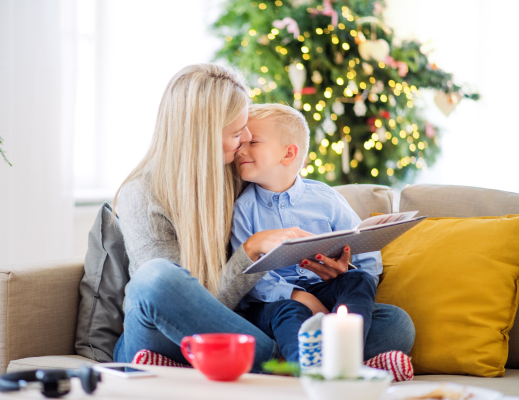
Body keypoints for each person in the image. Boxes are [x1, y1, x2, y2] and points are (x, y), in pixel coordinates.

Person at [112, 63, 415, 373]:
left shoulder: (235, 176)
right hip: (164, 336)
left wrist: (338, 265)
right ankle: (303, 361)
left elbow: (286, 178)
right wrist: (251, 250)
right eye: (236, 132)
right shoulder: (142, 196)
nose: (245, 138)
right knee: (155, 280)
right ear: (202, 137)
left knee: (395, 324)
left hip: (243, 329)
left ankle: (293, 359)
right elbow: (191, 307)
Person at [231, 103, 396, 363]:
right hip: (273, 304)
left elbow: (365, 250)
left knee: (365, 285)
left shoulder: (325, 197)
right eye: (241, 142)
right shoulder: (244, 208)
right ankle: (310, 370)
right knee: (289, 311)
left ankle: (346, 358)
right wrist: (302, 297)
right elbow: (248, 276)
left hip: (326, 292)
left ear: (288, 154)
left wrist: (350, 279)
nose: (241, 150)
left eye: (254, 142)